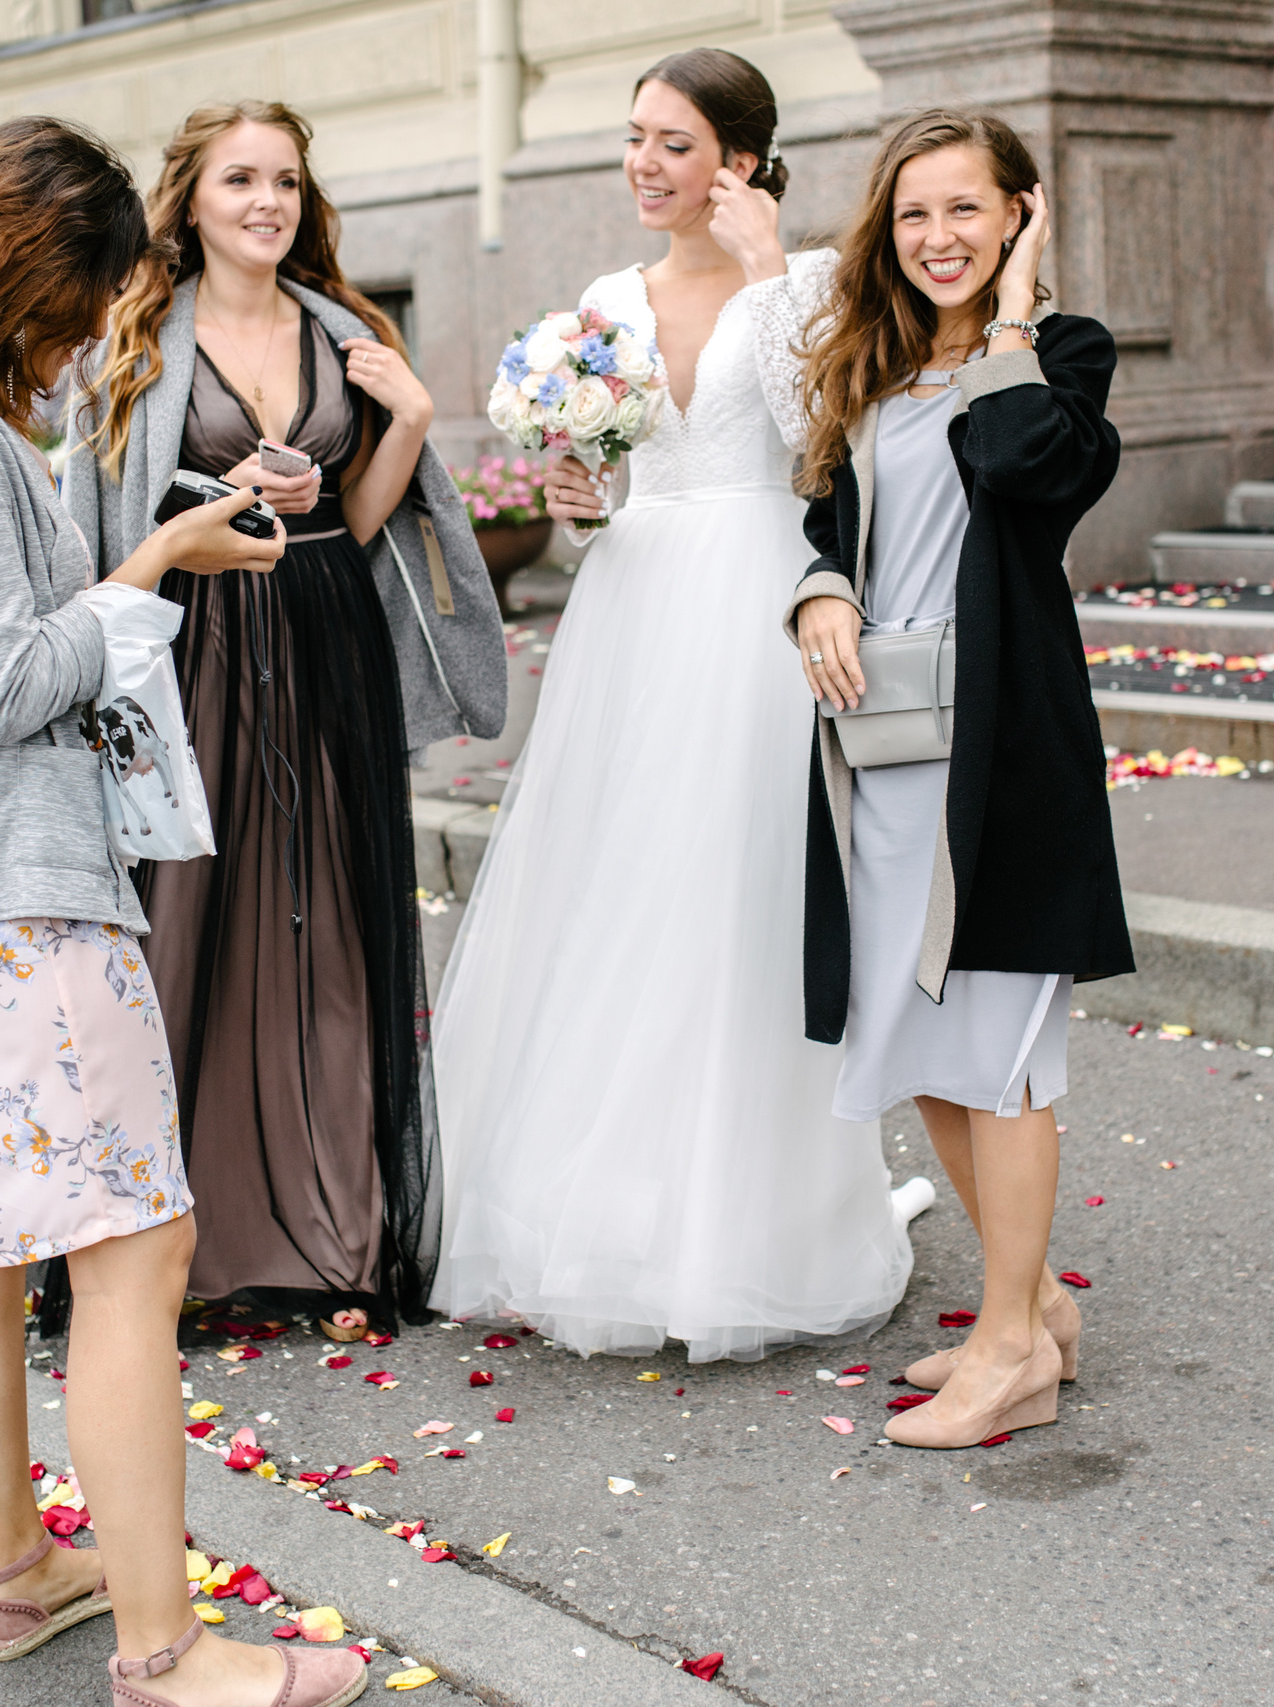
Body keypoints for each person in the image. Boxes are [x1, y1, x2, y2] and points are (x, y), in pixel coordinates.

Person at [0, 113, 367, 1707]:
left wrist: (140, 550)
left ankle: (20, 1571)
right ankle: (166, 1649)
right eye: (77, 300)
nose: (86, 334)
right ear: (19, 274)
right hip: (6, 894)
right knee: (137, 1244)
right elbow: (10, 685)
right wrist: (159, 563)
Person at [428, 49, 916, 1363]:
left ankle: (749, 1224)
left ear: (740, 163)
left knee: (745, 897)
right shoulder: (606, 300)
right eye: (634, 136)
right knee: (622, 889)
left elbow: (830, 448)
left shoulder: (814, 281)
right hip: (635, 609)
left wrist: (768, 274)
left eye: (675, 143)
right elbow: (612, 491)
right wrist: (584, 502)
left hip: (761, 602)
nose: (643, 163)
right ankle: (609, 1214)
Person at [64, 101, 506, 1333]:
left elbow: (360, 524)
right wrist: (199, 512)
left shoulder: (344, 333)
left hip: (321, 641)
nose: (267, 203)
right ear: (190, 200)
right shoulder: (134, 339)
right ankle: (167, 1250)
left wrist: (407, 420)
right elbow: (100, 523)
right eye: (240, 180)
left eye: (287, 183)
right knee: (184, 927)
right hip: (195, 649)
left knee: (332, 935)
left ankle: (338, 1243)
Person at [790, 109, 1130, 1447]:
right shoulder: (868, 363)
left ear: (1017, 215)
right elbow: (829, 515)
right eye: (915, 213)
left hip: (999, 750)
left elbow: (1020, 465)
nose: (938, 237)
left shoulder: (1059, 356)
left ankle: (1009, 1351)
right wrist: (820, 588)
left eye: (968, 210)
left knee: (1002, 1051)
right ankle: (1033, 1303)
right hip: (881, 750)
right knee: (925, 1041)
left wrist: (1012, 314)